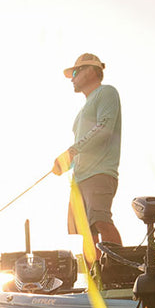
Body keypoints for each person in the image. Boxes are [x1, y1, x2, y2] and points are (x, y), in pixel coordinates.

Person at [52, 52, 123, 246]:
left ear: (91, 71)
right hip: (80, 179)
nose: (72, 78)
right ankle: (96, 274)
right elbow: (83, 146)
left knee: (101, 221)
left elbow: (104, 128)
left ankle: (118, 273)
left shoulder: (107, 92)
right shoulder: (82, 111)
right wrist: (67, 164)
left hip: (99, 173)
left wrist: (71, 151)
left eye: (75, 72)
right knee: (87, 234)